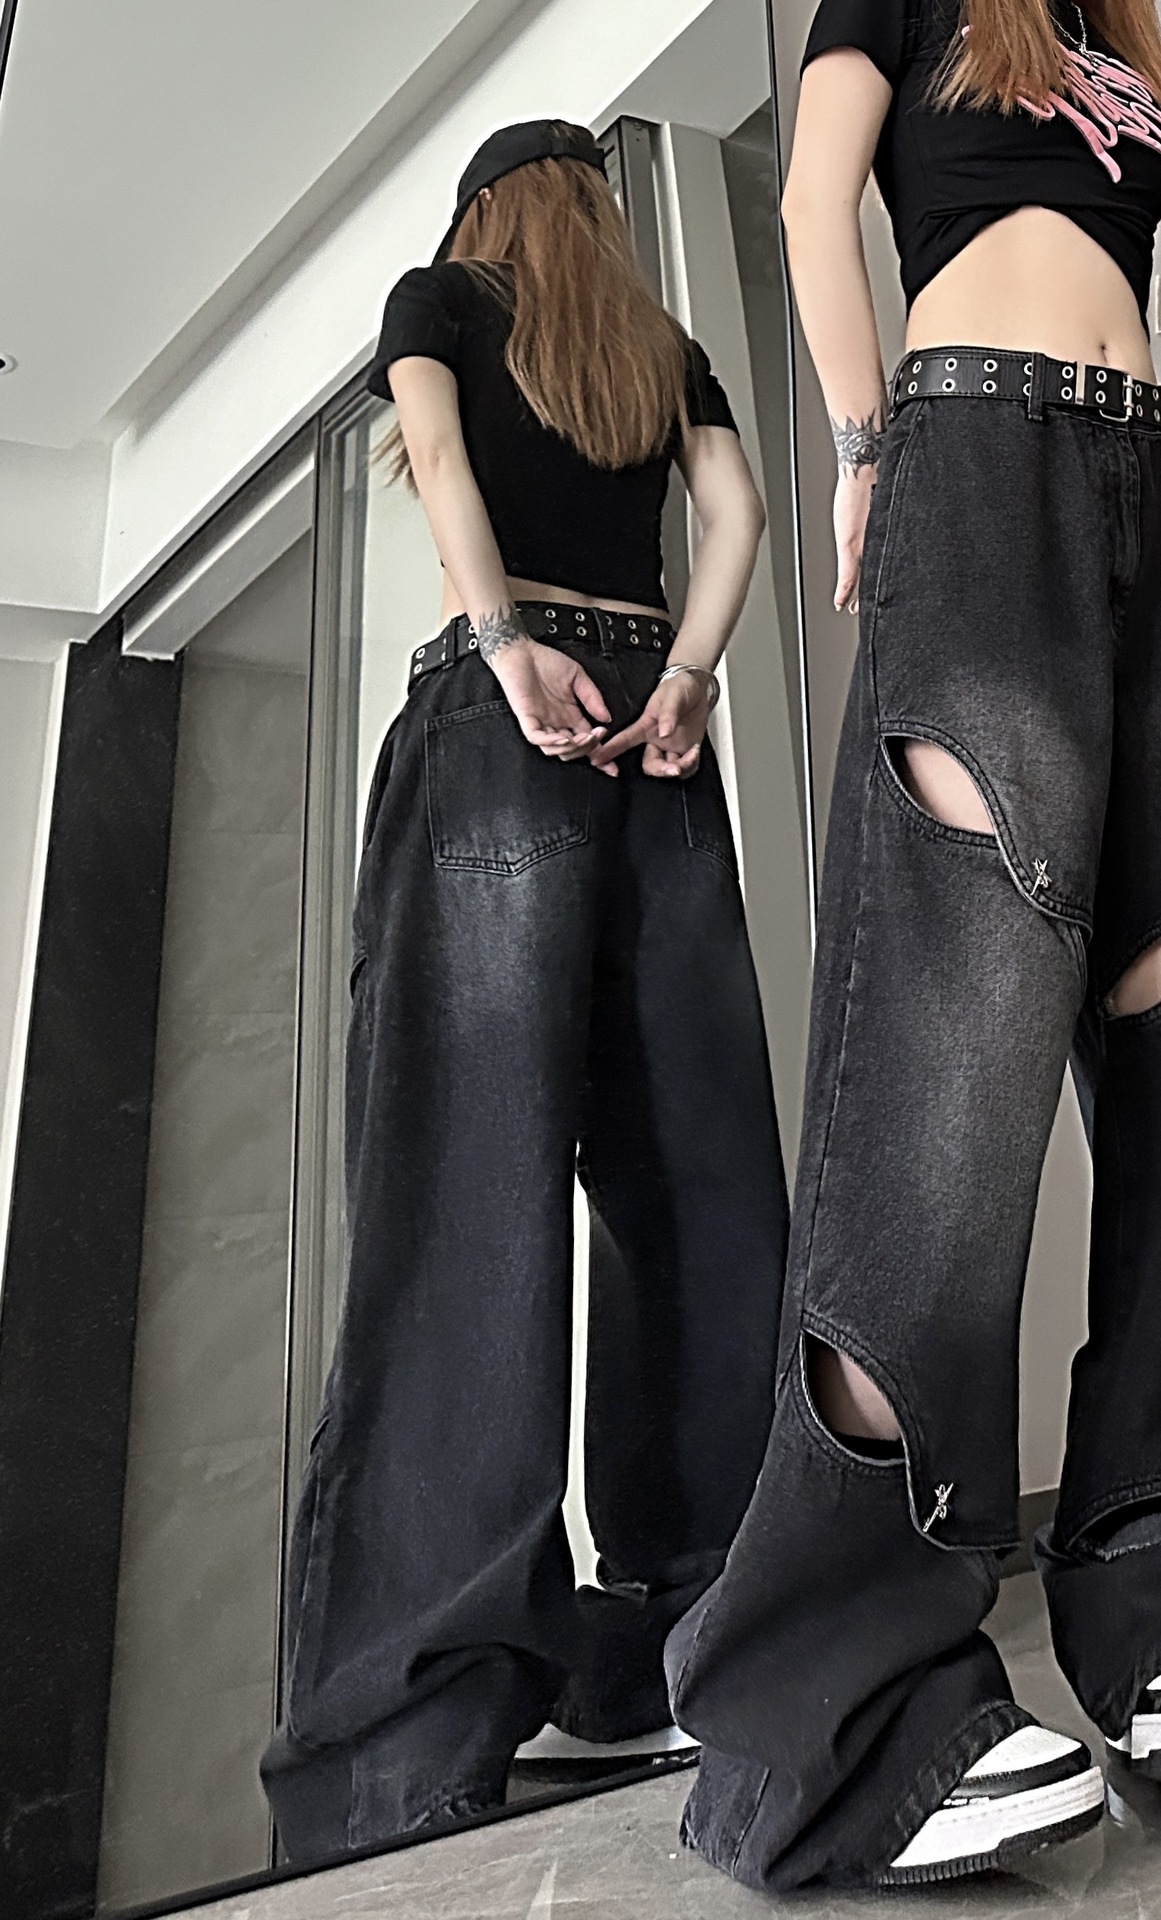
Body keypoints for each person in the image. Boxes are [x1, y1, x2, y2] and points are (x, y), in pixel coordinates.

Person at [664, 0, 1161, 1891]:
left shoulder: (1110, 31)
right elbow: (815, 204)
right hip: (972, 450)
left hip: (1160, 482)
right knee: (956, 1040)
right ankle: (841, 1697)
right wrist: (866, 446)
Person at [261, 120, 788, 1858]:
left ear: (483, 206)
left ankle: (414, 1734)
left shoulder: (441, 299)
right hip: (653, 735)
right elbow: (738, 511)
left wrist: (500, 646)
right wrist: (689, 675)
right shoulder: (658, 346)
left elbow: (436, 456)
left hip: (511, 722)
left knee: (461, 1198)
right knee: (696, 1196)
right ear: (597, 215)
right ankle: (703, 1644)